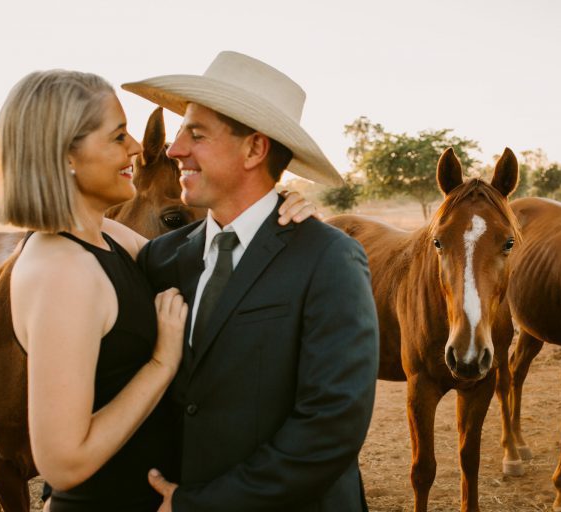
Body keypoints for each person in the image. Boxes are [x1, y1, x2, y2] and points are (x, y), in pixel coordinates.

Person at [0, 69, 316, 512]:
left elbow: (216, 264)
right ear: (65, 153)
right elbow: (63, 464)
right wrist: (162, 363)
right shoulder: (60, 271)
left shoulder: (109, 238)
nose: (136, 148)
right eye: (118, 136)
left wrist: (273, 211)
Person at [123, 51, 380, 511]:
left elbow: (331, 426)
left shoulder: (330, 258)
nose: (175, 149)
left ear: (255, 149)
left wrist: (201, 505)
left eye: (196, 134)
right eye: (181, 132)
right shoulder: (161, 258)